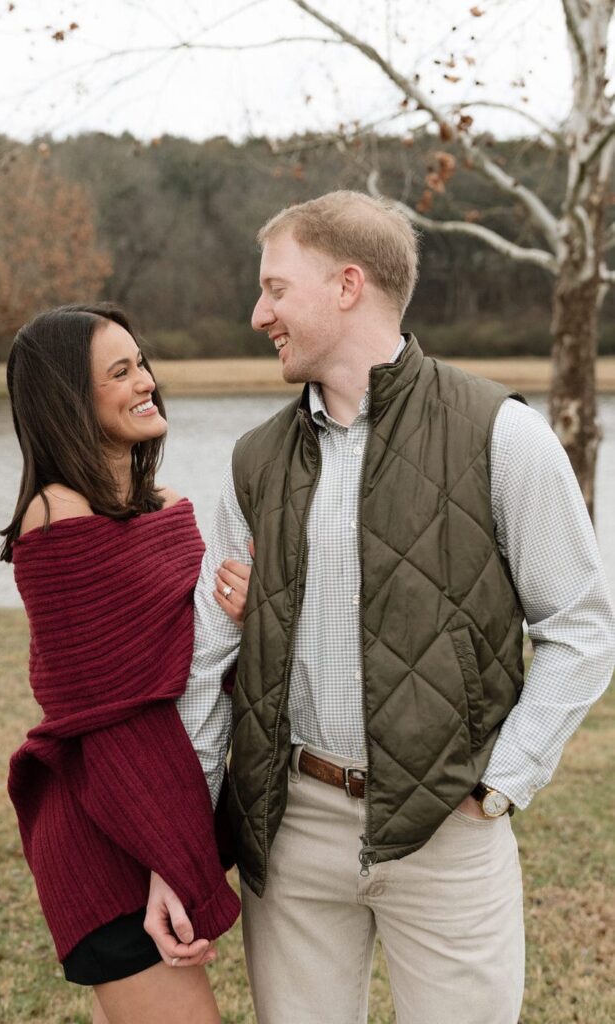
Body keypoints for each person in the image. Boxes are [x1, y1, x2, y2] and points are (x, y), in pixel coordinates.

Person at [157, 191, 615, 1024]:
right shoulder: (253, 461)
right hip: (291, 834)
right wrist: (181, 846)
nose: (258, 313)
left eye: (275, 288)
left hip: (450, 832)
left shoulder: (501, 434)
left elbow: (580, 628)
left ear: (347, 284)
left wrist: (499, 786)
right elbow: (207, 663)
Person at [0, 303, 247, 1024]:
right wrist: (168, 859)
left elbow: (203, 664)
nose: (146, 382)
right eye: (120, 371)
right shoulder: (55, 518)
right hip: (111, 837)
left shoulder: (168, 505)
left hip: (172, 812)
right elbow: (105, 714)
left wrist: (245, 610)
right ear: (72, 401)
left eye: (142, 363)